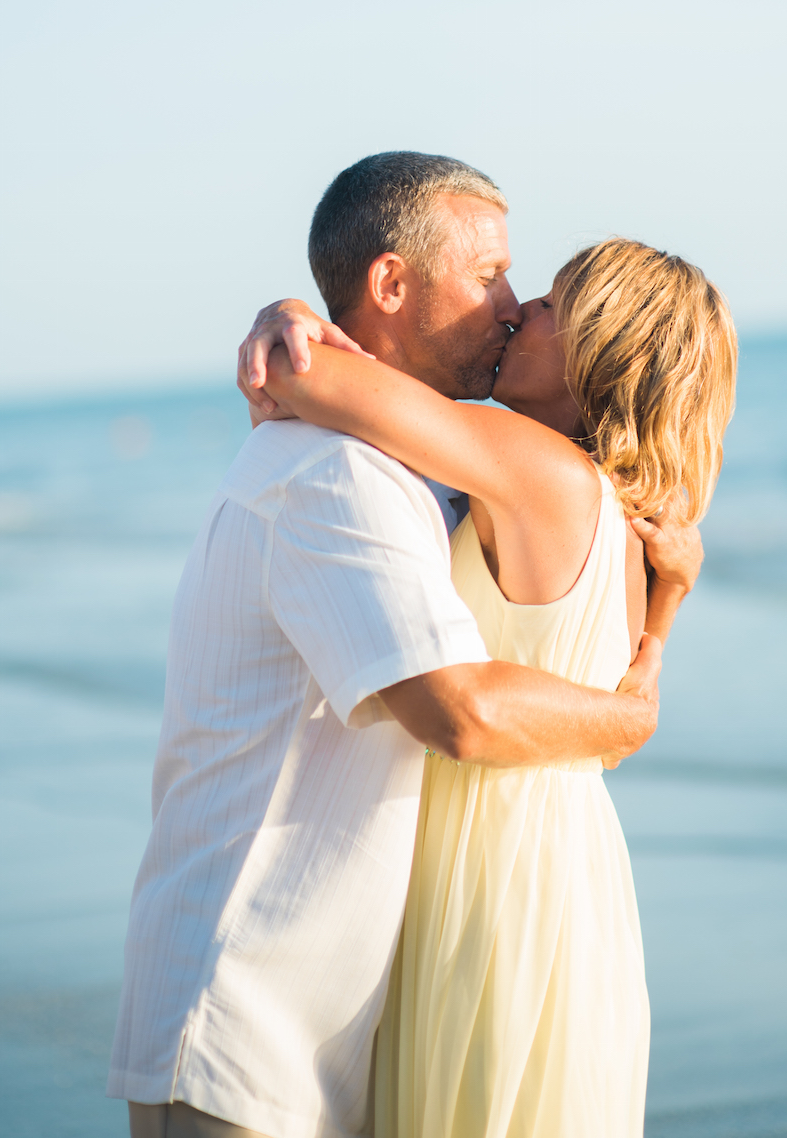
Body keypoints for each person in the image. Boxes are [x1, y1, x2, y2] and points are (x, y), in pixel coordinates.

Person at [108, 153, 701, 1138]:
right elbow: (459, 710)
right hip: (250, 1016)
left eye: (534, 293)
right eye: (491, 279)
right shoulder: (343, 473)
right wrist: (641, 691)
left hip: (326, 1014)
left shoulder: (453, 479)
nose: (513, 307)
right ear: (391, 284)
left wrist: (296, 326)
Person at [248, 235, 737, 1137]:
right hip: (563, 871)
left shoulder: (532, 466)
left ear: (599, 348)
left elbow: (307, 381)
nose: (519, 311)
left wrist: (284, 318)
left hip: (494, 876)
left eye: (551, 303)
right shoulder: (624, 523)